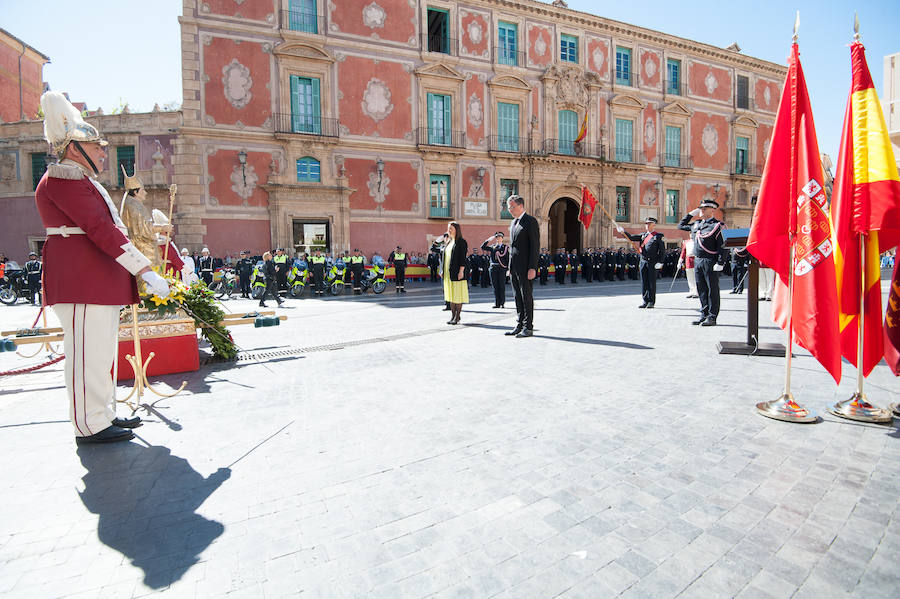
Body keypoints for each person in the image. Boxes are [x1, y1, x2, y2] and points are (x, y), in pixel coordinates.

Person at [34, 90, 170, 445]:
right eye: (96, 147)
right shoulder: (63, 178)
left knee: (99, 353)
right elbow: (100, 229)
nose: (103, 152)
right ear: (73, 149)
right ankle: (88, 423)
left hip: (94, 280)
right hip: (82, 281)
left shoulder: (81, 180)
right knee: (85, 356)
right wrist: (144, 270)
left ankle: (102, 413)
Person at [678, 199, 727, 326]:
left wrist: (721, 262)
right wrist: (690, 214)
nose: (701, 210)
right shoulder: (697, 224)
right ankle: (704, 314)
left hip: (710, 261)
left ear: (712, 210)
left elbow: (723, 246)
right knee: (701, 289)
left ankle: (712, 316)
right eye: (701, 208)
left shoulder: (717, 226)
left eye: (705, 208)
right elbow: (680, 225)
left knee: (712, 290)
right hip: (698, 260)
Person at [505, 195, 539, 338]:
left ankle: (528, 327)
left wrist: (532, 267)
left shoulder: (530, 221)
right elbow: (512, 247)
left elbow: (535, 246)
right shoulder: (513, 223)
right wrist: (509, 267)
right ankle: (519, 324)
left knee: (526, 297)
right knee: (517, 297)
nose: (510, 210)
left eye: (512, 207)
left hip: (526, 267)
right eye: (508, 207)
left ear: (520, 206)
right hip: (514, 267)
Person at [616, 216, 666, 308]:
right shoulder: (643, 235)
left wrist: (660, 262)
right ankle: (645, 300)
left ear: (653, 225)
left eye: (649, 224)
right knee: (644, 282)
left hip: (652, 262)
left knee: (651, 282)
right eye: (646, 224)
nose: (647, 225)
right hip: (643, 261)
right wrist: (623, 232)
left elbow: (662, 251)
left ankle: (651, 301)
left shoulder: (658, 236)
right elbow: (630, 237)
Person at [442, 222, 469, 325]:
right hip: (448, 273)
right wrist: (443, 271)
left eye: (451, 228)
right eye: (448, 228)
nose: (449, 230)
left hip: (457, 273)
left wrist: (461, 271)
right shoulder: (449, 242)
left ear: (457, 229)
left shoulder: (461, 242)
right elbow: (444, 258)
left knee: (457, 295)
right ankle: (453, 316)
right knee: (451, 295)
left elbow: (463, 258)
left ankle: (457, 317)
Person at [481, 232, 510, 309]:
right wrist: (488, 240)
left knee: (501, 286)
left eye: (500, 237)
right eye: (497, 237)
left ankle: (502, 303)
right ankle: (497, 303)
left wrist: (508, 269)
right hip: (493, 268)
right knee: (495, 286)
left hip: (502, 268)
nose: (498, 238)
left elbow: (507, 259)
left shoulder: (505, 248)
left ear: (502, 238)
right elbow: (483, 247)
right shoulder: (492, 247)